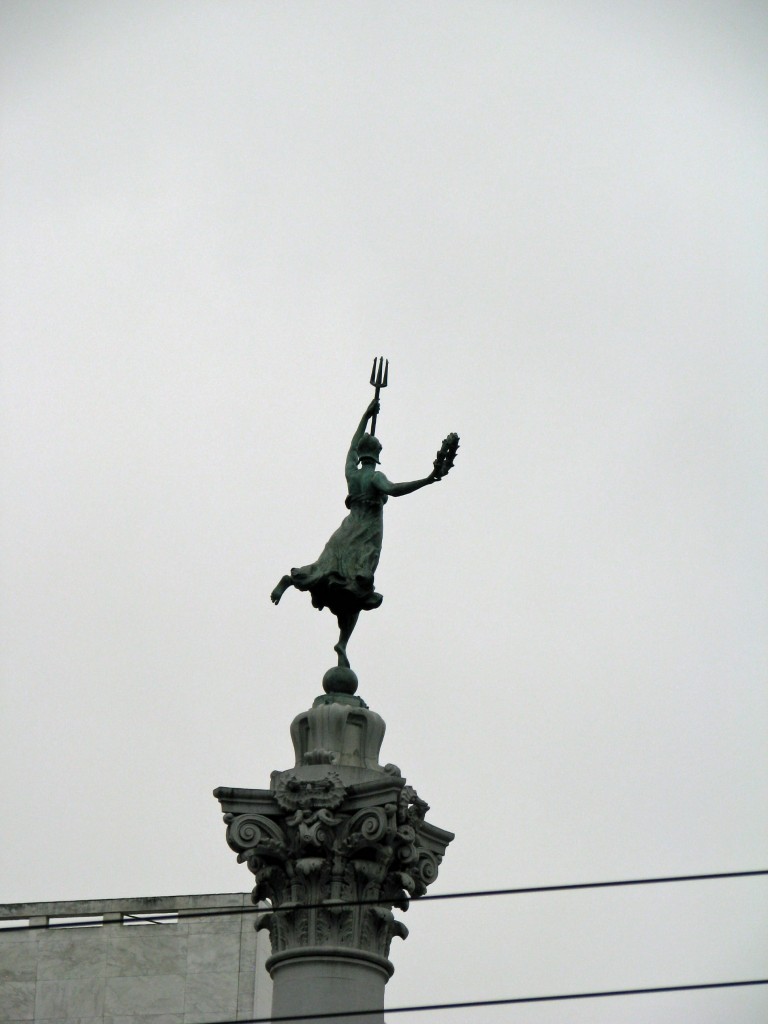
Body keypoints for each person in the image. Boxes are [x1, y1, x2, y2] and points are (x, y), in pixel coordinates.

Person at [271, 398, 441, 667]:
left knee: (324, 569)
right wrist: (427, 479)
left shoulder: (352, 473)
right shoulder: (375, 477)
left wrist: (365, 415)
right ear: (377, 455)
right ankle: (343, 641)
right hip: (366, 536)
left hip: (346, 530)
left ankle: (291, 582)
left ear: (361, 454)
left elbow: (351, 446)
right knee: (359, 589)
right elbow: (395, 490)